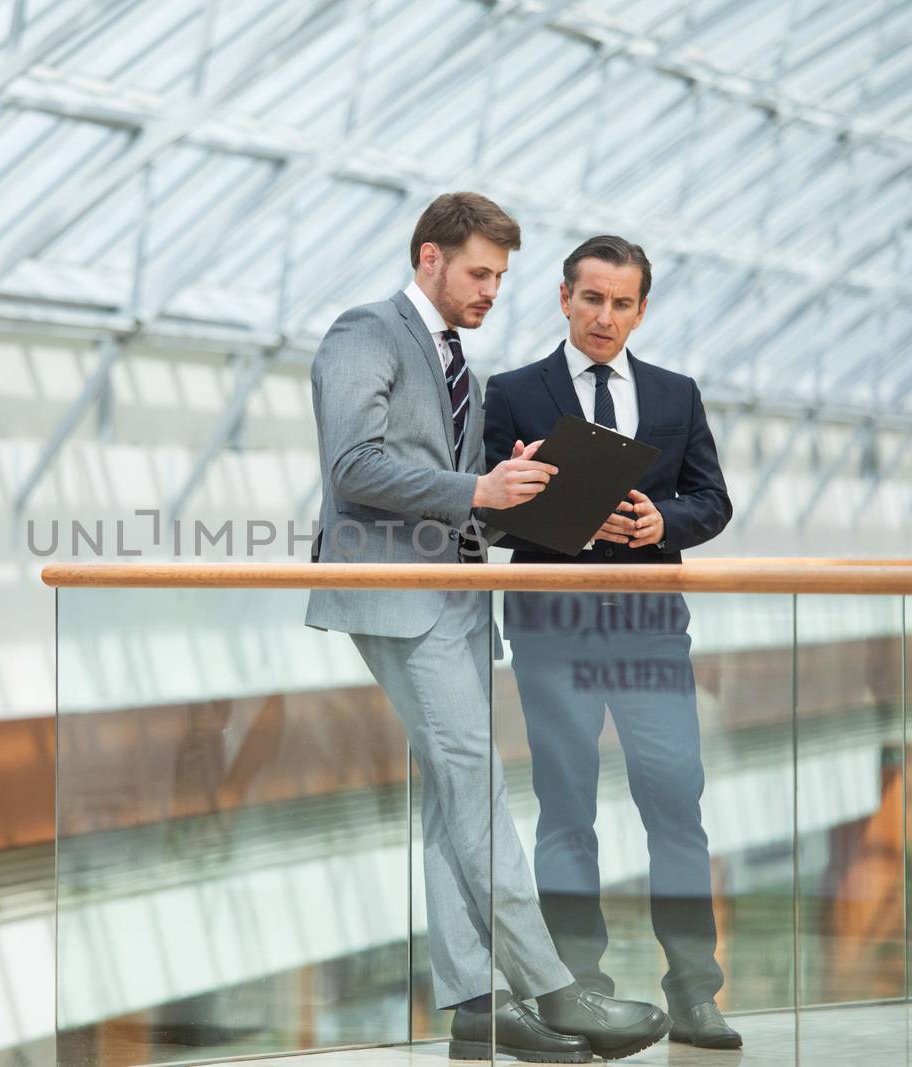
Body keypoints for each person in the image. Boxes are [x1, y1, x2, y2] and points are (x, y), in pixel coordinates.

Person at [307, 195, 671, 1062]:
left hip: (458, 594)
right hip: (399, 595)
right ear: (429, 257)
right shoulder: (364, 334)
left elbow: (450, 481)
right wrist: (475, 490)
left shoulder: (453, 356)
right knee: (474, 783)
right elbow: (353, 467)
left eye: (502, 279)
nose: (490, 292)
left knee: (453, 792)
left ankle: (476, 1004)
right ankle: (552, 987)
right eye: (479, 273)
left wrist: (511, 485)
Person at [481, 235, 741, 1050]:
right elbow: (482, 515)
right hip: (552, 625)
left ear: (641, 309)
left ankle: (696, 994)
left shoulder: (675, 394)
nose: (604, 316)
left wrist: (668, 522)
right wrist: (526, 496)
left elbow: (713, 501)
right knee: (566, 805)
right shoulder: (516, 393)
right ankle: (581, 990)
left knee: (674, 798)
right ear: (564, 298)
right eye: (590, 298)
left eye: (621, 302)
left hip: (648, 630)